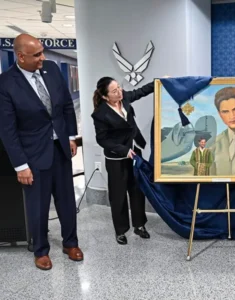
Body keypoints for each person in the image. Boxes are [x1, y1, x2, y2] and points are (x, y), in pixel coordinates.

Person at [0, 34, 83, 270]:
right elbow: (7, 130)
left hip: (60, 150)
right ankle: (41, 250)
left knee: (67, 201)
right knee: (38, 205)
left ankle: (71, 243)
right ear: (20, 56)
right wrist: (20, 165)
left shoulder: (51, 70)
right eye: (36, 55)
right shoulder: (6, 83)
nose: (42, 58)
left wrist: (70, 137)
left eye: (42, 52)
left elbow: (66, 105)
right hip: (33, 155)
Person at [91, 77, 153, 245]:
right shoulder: (100, 114)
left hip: (134, 151)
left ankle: (139, 225)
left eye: (119, 88)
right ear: (105, 96)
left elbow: (141, 91)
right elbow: (102, 140)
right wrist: (124, 151)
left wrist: (159, 82)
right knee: (118, 195)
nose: (119, 92)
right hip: (117, 157)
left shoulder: (124, 97)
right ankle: (121, 230)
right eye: (114, 91)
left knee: (137, 191)